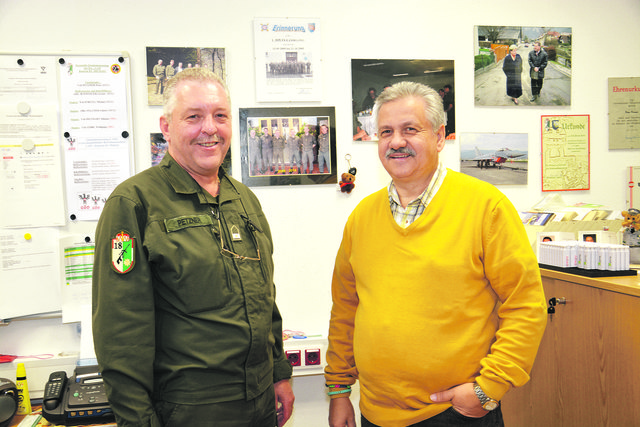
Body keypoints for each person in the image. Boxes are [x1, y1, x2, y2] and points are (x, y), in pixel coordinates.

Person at [325, 81, 547, 427]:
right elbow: (345, 310)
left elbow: (526, 305)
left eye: (410, 129)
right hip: (374, 413)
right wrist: (339, 392)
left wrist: (488, 389)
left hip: (456, 414)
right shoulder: (361, 218)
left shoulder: (486, 207)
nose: (396, 142)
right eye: (386, 132)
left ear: (440, 137)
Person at [92, 68, 295, 427]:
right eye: (194, 116)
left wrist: (279, 373)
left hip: (260, 402)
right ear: (167, 126)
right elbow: (120, 329)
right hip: (190, 410)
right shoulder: (133, 204)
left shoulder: (243, 199)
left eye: (220, 116)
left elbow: (265, 296)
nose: (210, 128)